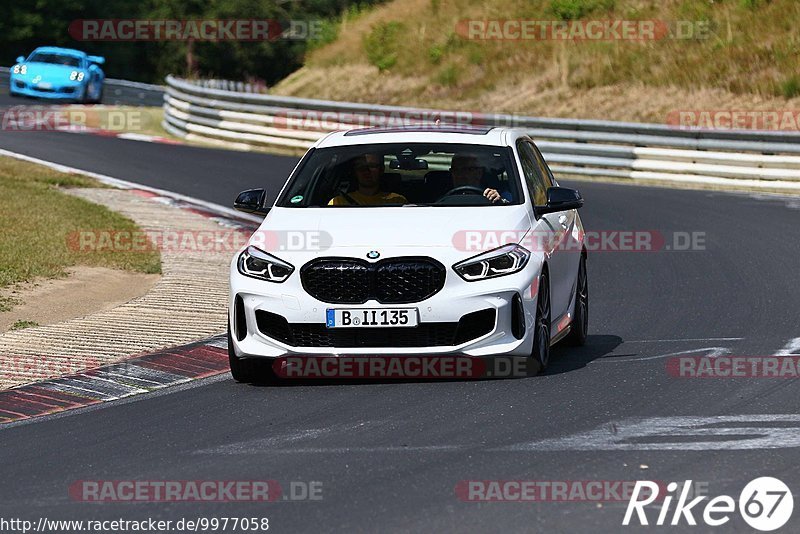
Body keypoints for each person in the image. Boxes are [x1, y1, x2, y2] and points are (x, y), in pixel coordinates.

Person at [328, 154, 407, 206]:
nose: (366, 171)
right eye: (360, 167)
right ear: (354, 171)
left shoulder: (397, 201)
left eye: (372, 166)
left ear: (382, 170)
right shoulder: (338, 202)